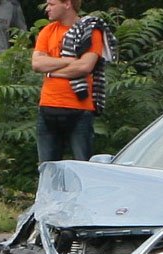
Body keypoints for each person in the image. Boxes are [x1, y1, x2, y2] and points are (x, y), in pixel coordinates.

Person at [30, 0, 117, 162]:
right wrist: (69, 60)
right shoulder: (47, 31)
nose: (47, 8)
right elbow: (37, 64)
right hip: (48, 108)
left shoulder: (90, 31)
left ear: (67, 4)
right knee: (47, 169)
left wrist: (51, 72)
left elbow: (85, 66)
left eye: (51, 4)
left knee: (82, 166)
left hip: (79, 109)